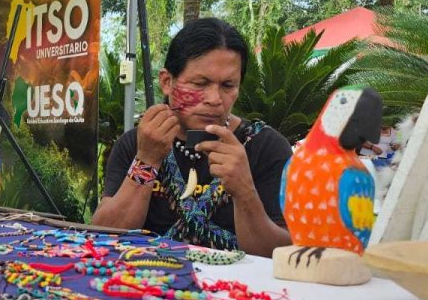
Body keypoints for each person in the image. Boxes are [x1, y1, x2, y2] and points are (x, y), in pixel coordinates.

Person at [91, 18, 293, 257]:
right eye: (200, 83)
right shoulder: (137, 143)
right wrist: (146, 161)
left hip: (238, 291)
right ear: (167, 82)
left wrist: (244, 190)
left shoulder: (264, 146)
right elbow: (102, 236)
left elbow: (284, 253)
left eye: (228, 85)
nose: (215, 99)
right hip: (150, 285)